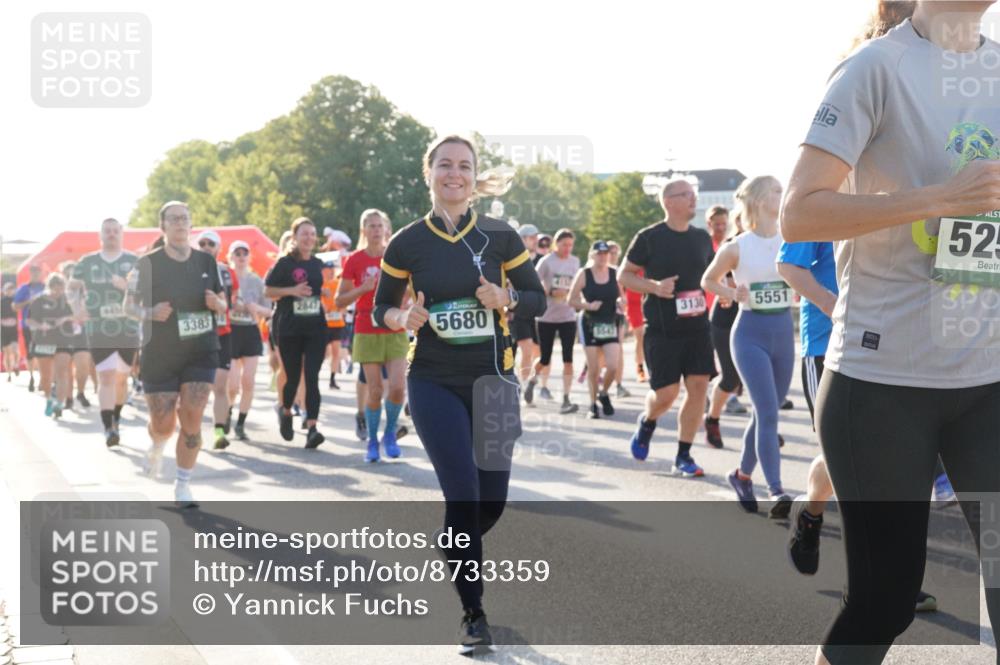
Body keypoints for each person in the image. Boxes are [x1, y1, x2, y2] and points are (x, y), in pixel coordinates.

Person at [781, 1, 1000, 661]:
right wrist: (939, 199)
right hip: (882, 384)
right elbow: (799, 215)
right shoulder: (877, 67)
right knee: (885, 599)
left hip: (987, 377)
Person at [372, 134, 545, 653]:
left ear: (474, 176)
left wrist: (506, 296)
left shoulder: (500, 235)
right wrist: (405, 316)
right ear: (428, 174)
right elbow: (382, 307)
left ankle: (455, 544)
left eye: (464, 166)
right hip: (433, 380)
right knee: (463, 492)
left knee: (489, 503)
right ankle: (473, 614)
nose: (455, 174)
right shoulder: (407, 242)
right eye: (444, 165)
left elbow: (536, 297)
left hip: (494, 381)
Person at [703, 176, 795, 518]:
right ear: (757, 200)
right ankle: (776, 490)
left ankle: (741, 475)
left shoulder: (790, 239)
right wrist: (731, 293)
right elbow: (708, 280)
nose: (781, 194)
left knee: (764, 413)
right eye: (774, 190)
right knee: (769, 413)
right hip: (750, 334)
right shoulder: (737, 246)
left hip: (784, 333)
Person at [126, 201, 228, 507]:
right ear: (163, 226)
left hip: (200, 350)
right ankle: (157, 442)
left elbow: (223, 304)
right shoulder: (147, 264)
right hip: (160, 352)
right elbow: (127, 307)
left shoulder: (207, 262)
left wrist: (217, 305)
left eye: (185, 218)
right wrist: (149, 311)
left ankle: (183, 484)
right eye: (174, 219)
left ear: (191, 224)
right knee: (163, 422)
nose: (181, 223)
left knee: (193, 416)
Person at [620, 177, 715, 477]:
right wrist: (654, 286)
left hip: (698, 327)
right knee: (667, 394)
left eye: (694, 193)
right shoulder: (649, 237)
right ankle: (648, 421)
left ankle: (683, 455)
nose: (693, 198)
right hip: (663, 330)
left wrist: (726, 292)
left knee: (699, 386)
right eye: (686, 194)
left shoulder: (701, 237)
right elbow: (625, 275)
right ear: (669, 201)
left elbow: (715, 273)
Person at [336, 209, 409, 462]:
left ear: (386, 229)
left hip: (396, 326)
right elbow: (339, 300)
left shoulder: (397, 256)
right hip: (367, 328)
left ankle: (389, 434)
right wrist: (362, 289)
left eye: (380, 226)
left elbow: (412, 287)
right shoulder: (355, 260)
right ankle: (372, 441)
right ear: (363, 230)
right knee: (375, 390)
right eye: (371, 226)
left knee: (399, 388)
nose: (376, 230)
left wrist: (409, 296)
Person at [70, 218, 140, 447]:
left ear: (121, 234)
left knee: (122, 378)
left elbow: (146, 293)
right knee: (107, 375)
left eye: (115, 231)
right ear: (100, 235)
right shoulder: (87, 261)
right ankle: (108, 427)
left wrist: (126, 287)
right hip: (99, 327)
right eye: (107, 231)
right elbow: (72, 288)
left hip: (127, 327)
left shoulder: (134, 261)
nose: (111, 234)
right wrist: (77, 308)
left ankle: (116, 419)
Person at [265, 217, 329, 449]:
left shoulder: (318, 263)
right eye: (305, 234)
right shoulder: (284, 263)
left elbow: (320, 290)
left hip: (315, 327)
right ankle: (285, 410)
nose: (309, 238)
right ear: (295, 237)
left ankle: (312, 428)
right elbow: (268, 291)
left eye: (313, 234)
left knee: (311, 376)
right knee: (292, 376)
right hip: (289, 327)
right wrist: (292, 290)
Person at [523, 228, 580, 414]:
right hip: (547, 316)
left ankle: (566, 398)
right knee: (545, 357)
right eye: (564, 245)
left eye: (570, 245)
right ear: (556, 244)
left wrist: (572, 294)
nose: (567, 248)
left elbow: (577, 284)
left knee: (568, 358)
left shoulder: (575, 261)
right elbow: (532, 281)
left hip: (568, 316)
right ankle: (532, 381)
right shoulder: (547, 261)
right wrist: (548, 291)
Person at [194, 230, 240, 450]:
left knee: (220, 386)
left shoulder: (228, 273)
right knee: (198, 388)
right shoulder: (188, 270)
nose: (205, 246)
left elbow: (232, 301)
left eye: (210, 243)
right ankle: (192, 429)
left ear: (218, 248)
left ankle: (219, 431)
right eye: (201, 243)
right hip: (196, 336)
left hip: (222, 334)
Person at [569, 240, 621, 419]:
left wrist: (621, 303)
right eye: (599, 253)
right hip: (589, 323)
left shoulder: (615, 273)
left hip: (609, 323)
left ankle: (604, 393)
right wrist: (588, 305)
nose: (603, 256)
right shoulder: (584, 274)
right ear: (592, 255)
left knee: (613, 366)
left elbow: (621, 295)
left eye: (605, 253)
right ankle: (592, 404)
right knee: (594, 368)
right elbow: (571, 300)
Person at [227, 240, 271, 442]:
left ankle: (241, 424)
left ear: (249, 257)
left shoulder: (256, 280)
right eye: (237, 253)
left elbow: (269, 310)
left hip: (250, 331)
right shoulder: (226, 278)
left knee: (249, 382)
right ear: (231, 257)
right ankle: (226, 412)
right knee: (233, 385)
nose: (241, 256)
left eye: (245, 253)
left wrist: (255, 308)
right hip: (231, 331)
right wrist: (230, 306)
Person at [27, 273, 77, 419]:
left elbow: (79, 315)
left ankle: (59, 403)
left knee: (62, 372)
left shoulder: (68, 300)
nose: (58, 292)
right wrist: (40, 325)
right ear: (49, 287)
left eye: (60, 289)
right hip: (43, 341)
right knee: (46, 376)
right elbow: (29, 321)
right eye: (55, 289)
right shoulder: (38, 301)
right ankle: (49, 399)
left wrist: (65, 318)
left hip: (63, 339)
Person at [58, 261, 94, 410]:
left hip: (82, 332)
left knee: (83, 365)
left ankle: (80, 392)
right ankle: (69, 398)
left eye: (75, 273)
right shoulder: (58, 292)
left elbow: (92, 312)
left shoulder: (87, 292)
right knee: (66, 368)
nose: (72, 277)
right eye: (69, 273)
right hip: (64, 334)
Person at [511, 223, 541, 383]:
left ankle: (534, 384)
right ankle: (524, 385)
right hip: (518, 311)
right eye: (531, 237)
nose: (535, 240)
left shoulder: (543, 260)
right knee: (526, 348)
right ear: (522, 239)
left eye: (536, 237)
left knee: (539, 353)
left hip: (537, 313)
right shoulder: (512, 260)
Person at [12, 264, 45, 393]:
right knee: (30, 353)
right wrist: (29, 302)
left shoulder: (45, 287)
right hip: (28, 325)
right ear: (30, 273)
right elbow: (15, 306)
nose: (35, 274)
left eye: (38, 271)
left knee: (43, 352)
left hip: (44, 326)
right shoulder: (24, 288)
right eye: (33, 271)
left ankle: (43, 379)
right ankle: (31, 377)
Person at [606, 240, 630, 398]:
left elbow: (623, 296)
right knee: (603, 351)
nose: (613, 256)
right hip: (599, 316)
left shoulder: (619, 271)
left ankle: (619, 384)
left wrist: (623, 303)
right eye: (610, 252)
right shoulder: (592, 270)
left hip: (617, 315)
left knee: (618, 349)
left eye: (616, 253)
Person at [319, 258, 347, 390]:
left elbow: (344, 300)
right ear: (322, 271)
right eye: (328, 269)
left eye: (332, 269)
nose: (331, 272)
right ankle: (315, 376)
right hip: (323, 324)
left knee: (336, 352)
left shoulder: (338, 283)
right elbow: (318, 301)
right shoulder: (319, 284)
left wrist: (342, 309)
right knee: (322, 353)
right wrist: (323, 308)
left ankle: (332, 379)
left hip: (337, 323)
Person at [2, 282, 21, 382]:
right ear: (4, 290)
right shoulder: (1, 301)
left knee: (15, 350)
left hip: (14, 329)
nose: (10, 291)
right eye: (8, 289)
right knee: (7, 353)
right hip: (4, 329)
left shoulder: (16, 301)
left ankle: (16, 365)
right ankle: (9, 373)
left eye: (11, 289)